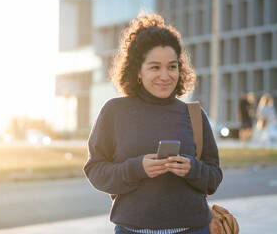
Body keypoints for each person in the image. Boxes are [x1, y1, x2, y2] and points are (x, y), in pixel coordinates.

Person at [84, 13, 223, 234]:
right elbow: (96, 171)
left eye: (172, 66)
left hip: (193, 229)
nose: (165, 75)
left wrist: (191, 168)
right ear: (138, 71)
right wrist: (137, 168)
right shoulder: (114, 111)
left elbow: (213, 178)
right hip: (132, 230)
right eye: (155, 67)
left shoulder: (194, 114)